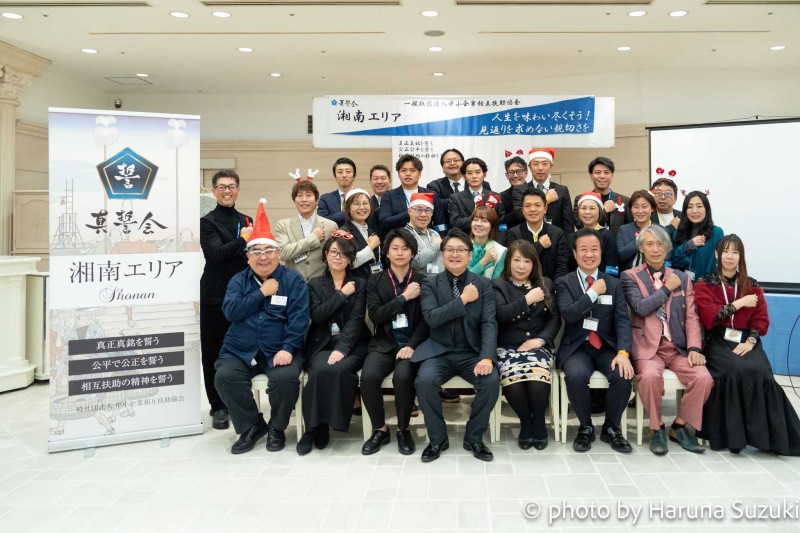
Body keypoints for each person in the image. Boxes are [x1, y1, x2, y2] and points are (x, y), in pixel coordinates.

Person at [214, 199, 309, 454]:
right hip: (239, 349)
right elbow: (230, 312)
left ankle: (277, 427)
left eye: (268, 250)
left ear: (278, 253)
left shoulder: (293, 281)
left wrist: (288, 348)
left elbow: (299, 319)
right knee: (225, 376)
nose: (263, 257)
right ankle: (252, 425)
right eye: (256, 251)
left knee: (285, 379)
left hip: (279, 349)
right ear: (248, 257)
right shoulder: (238, 281)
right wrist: (261, 293)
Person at [695, 235, 800, 455]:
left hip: (746, 339)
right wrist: (740, 303)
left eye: (735, 252)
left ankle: (769, 437)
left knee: (761, 371)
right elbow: (710, 317)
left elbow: (761, 319)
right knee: (733, 369)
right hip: (717, 339)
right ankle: (733, 437)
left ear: (741, 256)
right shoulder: (705, 283)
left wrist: (751, 341)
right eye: (725, 251)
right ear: (717, 254)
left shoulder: (752, 285)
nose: (730, 256)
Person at [622, 225, 714, 455]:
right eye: (650, 244)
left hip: (677, 347)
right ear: (641, 249)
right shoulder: (630, 276)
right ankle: (657, 428)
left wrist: (694, 348)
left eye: (660, 244)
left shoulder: (681, 278)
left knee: (704, 378)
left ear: (667, 248)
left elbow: (691, 316)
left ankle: (680, 426)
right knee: (649, 377)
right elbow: (640, 307)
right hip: (648, 347)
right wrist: (665, 289)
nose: (655, 249)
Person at [414, 229, 500, 462]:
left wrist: (487, 357)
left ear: (470, 254)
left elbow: (489, 323)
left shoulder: (483, 284)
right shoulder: (430, 283)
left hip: (471, 353)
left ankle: (473, 437)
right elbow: (432, 318)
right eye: (450, 250)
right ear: (442, 254)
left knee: (491, 381)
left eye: (460, 250)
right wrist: (462, 299)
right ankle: (437, 439)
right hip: (438, 352)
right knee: (424, 381)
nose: (455, 254)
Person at [555, 228, 634, 453]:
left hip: (606, 347)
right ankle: (586, 427)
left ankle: (611, 428)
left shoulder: (614, 283)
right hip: (577, 347)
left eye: (594, 249)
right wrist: (592, 293)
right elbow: (568, 314)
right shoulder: (564, 282)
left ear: (601, 252)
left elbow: (622, 321)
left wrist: (623, 353)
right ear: (574, 253)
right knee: (575, 375)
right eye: (583, 249)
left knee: (622, 374)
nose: (589, 254)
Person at [297, 233, 371, 455]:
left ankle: (326, 423)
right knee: (319, 370)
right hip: (322, 342)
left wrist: (342, 349)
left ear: (350, 259)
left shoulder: (360, 284)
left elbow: (356, 321)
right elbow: (318, 316)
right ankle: (313, 427)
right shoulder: (314, 284)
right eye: (333, 252)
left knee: (338, 369)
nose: (338, 257)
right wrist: (341, 295)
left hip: (353, 343)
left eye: (343, 254)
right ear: (325, 255)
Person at [361, 228, 430, 456]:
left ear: (412, 253)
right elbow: (376, 315)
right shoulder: (375, 280)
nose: (400, 253)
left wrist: (412, 345)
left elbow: (427, 321)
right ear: (387, 253)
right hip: (384, 343)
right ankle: (380, 429)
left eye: (405, 248)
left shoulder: (423, 281)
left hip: (412, 344)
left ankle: (403, 429)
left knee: (403, 377)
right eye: (395, 248)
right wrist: (404, 297)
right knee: (368, 376)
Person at [493, 241, 560, 450]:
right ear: (508, 262)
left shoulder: (546, 284)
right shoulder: (498, 285)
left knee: (537, 374)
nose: (521, 266)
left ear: (534, 264)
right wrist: (527, 299)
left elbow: (555, 318)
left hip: (538, 345)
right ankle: (526, 422)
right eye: (517, 260)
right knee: (513, 376)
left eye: (527, 261)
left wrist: (541, 340)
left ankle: (538, 422)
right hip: (508, 347)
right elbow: (501, 314)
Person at [200, 169, 252, 430]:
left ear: (238, 190)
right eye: (222, 187)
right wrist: (242, 240)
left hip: (243, 295)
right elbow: (217, 254)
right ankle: (217, 405)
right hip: (215, 295)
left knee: (242, 348)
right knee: (213, 351)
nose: (227, 191)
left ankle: (239, 400)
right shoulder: (207, 222)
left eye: (231, 186)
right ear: (214, 191)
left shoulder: (247, 219)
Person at [274, 180, 338, 282]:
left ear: (316, 200)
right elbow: (283, 253)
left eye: (308, 195)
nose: (304, 199)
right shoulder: (283, 225)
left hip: (322, 284)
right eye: (299, 196)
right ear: (294, 200)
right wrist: (313, 239)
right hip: (293, 283)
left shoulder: (330, 226)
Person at [506, 188, 569, 281]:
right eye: (528, 206)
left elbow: (562, 267)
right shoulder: (513, 233)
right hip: (522, 285)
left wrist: (553, 287)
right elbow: (515, 262)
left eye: (537, 205)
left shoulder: (557, 233)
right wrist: (539, 245)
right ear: (522, 210)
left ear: (545, 209)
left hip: (551, 286)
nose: (532, 209)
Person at [379, 154, 447, 236]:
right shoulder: (389, 195)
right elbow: (384, 222)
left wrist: (439, 240)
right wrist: (410, 213)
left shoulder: (432, 195)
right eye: (404, 170)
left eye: (412, 170)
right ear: (398, 174)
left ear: (419, 173)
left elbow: (440, 225)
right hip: (399, 240)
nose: (408, 174)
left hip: (427, 240)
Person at [670, 190, 724, 281]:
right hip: (683, 286)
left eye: (699, 206)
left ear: (706, 209)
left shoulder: (716, 232)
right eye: (690, 207)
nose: (694, 211)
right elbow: (674, 263)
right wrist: (688, 246)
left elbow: (714, 264)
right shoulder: (678, 233)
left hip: (707, 286)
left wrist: (702, 285)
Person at [573, 157, 631, 236]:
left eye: (606, 172)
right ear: (591, 176)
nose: (602, 176)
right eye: (598, 172)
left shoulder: (625, 201)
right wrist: (604, 211)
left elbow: (629, 229)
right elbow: (579, 225)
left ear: (612, 176)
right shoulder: (581, 199)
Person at [447, 157, 504, 233]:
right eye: (469, 173)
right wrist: (479, 216)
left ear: (484, 174)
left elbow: (501, 224)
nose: (474, 176)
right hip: (466, 238)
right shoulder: (455, 198)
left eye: (477, 172)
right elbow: (455, 223)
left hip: (491, 238)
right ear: (464, 176)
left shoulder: (495, 197)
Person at [526, 147, 574, 234]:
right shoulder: (522, 190)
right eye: (536, 164)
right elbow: (519, 217)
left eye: (544, 164)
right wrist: (547, 199)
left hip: (556, 239)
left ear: (551, 166)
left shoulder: (561, 191)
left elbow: (568, 224)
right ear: (529, 166)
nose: (540, 168)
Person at [569, 192, 617, 275]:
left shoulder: (607, 235)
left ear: (599, 211)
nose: (587, 212)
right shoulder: (572, 237)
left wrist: (605, 281)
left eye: (592, 208)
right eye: (583, 208)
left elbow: (611, 267)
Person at [341, 188, 382, 280]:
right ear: (348, 208)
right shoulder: (343, 233)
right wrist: (371, 246)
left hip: (373, 282)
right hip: (354, 284)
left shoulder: (371, 232)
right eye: (356, 204)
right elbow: (349, 262)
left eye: (365, 203)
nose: (362, 207)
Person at [617, 190, 658, 271]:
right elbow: (619, 257)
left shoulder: (660, 230)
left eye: (644, 206)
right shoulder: (624, 229)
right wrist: (639, 239)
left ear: (652, 208)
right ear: (631, 209)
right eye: (636, 207)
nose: (640, 211)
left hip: (655, 274)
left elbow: (666, 256)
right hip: (629, 275)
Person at [405, 192, 444, 275]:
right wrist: (435, 245)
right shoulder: (404, 234)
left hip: (439, 281)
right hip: (418, 282)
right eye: (418, 209)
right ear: (409, 211)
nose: (423, 214)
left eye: (428, 210)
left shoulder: (434, 234)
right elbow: (416, 262)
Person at [468, 203, 507, 280]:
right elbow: (461, 279)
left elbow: (496, 283)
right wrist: (484, 261)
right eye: (476, 220)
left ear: (492, 227)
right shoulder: (462, 246)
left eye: (484, 221)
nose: (478, 224)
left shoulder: (500, 251)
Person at [317, 157, 357, 226]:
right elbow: (322, 223)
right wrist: (346, 213)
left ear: (354, 176)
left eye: (348, 172)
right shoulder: (325, 199)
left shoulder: (363, 197)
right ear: (335, 176)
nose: (344, 175)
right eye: (340, 172)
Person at [498, 155, 529, 237]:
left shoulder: (536, 193)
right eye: (511, 172)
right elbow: (501, 222)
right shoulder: (501, 197)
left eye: (519, 171)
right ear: (506, 175)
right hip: (511, 238)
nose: (515, 175)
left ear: (526, 173)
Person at [368, 164, 392, 234]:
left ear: (390, 181)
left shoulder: (397, 200)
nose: (379, 182)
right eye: (375, 179)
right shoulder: (367, 204)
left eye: (383, 178)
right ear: (370, 181)